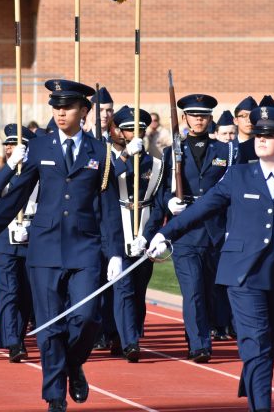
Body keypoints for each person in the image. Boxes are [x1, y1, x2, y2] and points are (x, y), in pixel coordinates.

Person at [140, 105, 274, 412]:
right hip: (242, 276)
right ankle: (260, 406)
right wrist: (165, 233)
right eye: (259, 134)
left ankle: (250, 378)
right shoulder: (237, 176)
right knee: (258, 343)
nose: (261, 139)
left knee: (264, 343)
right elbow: (202, 208)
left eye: (270, 135)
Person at [0, 79, 124, 412]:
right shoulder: (39, 147)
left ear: (84, 111)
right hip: (45, 248)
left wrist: (115, 252)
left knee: (87, 317)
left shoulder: (100, 152)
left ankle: (73, 363)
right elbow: (15, 197)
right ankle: (54, 395)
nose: (60, 113)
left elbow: (109, 207)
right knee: (50, 326)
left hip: (85, 248)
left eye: (67, 107)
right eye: (55, 107)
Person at [157, 94, 235, 362]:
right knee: (192, 292)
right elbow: (161, 193)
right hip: (186, 230)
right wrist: (170, 203)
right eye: (193, 115)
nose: (199, 119)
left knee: (213, 291)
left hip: (216, 229)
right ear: (184, 118)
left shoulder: (227, 152)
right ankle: (199, 344)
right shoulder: (172, 153)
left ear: (211, 118)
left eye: (203, 115)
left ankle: (206, 332)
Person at [101, 106, 164, 362]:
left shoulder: (157, 164)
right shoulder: (110, 160)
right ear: (119, 132)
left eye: (138, 129)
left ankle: (127, 333)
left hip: (143, 234)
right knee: (123, 288)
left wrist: (148, 235)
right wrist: (126, 156)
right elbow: (104, 183)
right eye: (128, 129)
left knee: (138, 291)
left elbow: (158, 205)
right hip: (117, 231)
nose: (132, 133)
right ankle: (129, 342)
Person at [0, 124, 36, 362]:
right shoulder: (1, 172)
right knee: (8, 292)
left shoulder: (38, 173)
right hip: (5, 239)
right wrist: (12, 165)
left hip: (31, 238)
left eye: (15, 144)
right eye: (7, 144)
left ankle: (20, 335)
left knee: (26, 294)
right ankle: (13, 341)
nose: (9, 148)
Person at [233, 96, 258, 163]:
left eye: (252, 116)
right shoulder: (225, 148)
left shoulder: (262, 148)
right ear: (236, 120)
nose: (249, 120)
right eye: (244, 116)